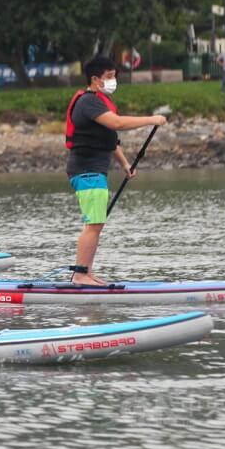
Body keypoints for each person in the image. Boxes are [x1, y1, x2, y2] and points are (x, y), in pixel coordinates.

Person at [65, 55, 166, 286]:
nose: (113, 81)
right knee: (94, 224)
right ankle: (80, 276)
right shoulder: (89, 102)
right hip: (86, 170)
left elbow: (111, 139)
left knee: (96, 223)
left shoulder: (100, 102)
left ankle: (86, 273)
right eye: (109, 77)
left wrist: (125, 164)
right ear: (95, 79)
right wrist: (152, 119)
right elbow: (118, 124)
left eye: (114, 76)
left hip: (95, 170)